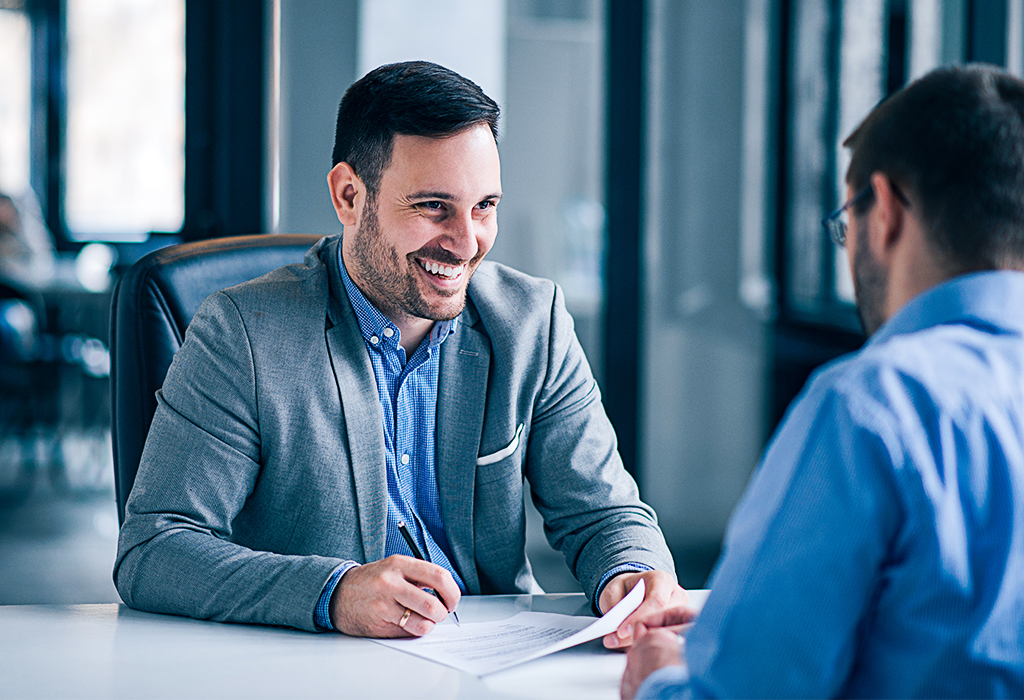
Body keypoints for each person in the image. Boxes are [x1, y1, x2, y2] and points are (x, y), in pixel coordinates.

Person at [115, 61, 686, 638]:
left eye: (484, 206)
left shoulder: (532, 322)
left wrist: (633, 572)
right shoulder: (242, 334)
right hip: (317, 665)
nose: (467, 243)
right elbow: (154, 549)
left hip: (493, 661)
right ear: (349, 196)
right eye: (433, 207)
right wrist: (333, 593)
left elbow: (605, 513)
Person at [621, 63, 1024, 699]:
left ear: (885, 210)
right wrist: (748, 624)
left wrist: (663, 678)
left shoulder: (874, 405)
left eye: (845, 222)